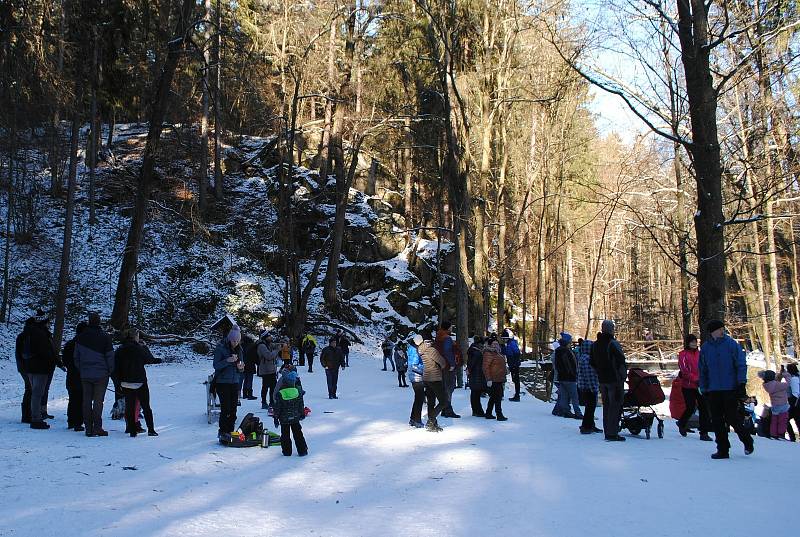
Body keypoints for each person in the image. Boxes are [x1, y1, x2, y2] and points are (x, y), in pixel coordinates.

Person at [698, 319, 754, 459]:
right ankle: (723, 449)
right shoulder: (705, 348)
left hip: (730, 387)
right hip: (713, 389)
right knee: (717, 420)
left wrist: (741, 383)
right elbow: (703, 369)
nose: (722, 331)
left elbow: (741, 364)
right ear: (712, 332)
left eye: (723, 328)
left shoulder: (731, 345)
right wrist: (704, 387)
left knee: (732, 418)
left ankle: (747, 440)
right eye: (719, 329)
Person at [115, 328, 162, 437]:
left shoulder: (120, 350)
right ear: (136, 337)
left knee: (129, 407)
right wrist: (145, 346)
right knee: (146, 406)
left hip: (125, 382)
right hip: (140, 381)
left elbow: (115, 367)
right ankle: (151, 429)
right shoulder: (139, 349)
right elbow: (150, 359)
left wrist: (118, 382)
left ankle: (132, 431)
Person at [75, 312, 115, 437]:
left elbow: (76, 357)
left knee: (86, 401)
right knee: (98, 402)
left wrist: (81, 369)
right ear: (99, 322)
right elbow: (110, 356)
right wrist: (110, 370)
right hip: (101, 374)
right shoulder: (105, 337)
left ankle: (88, 427)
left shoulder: (80, 337)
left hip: (85, 373)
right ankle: (97, 427)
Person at [20, 309, 59, 430]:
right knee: (37, 393)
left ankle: (33, 416)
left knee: (34, 392)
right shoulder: (41, 335)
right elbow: (45, 352)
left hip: (30, 367)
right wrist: (54, 360)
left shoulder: (29, 333)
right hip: (40, 369)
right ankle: (36, 418)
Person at [590, 320, 627, 442]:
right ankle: (612, 433)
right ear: (611, 329)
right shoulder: (613, 343)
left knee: (607, 406)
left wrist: (600, 372)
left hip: (602, 380)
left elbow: (592, 362)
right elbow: (621, 361)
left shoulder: (595, 344)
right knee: (615, 406)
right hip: (614, 380)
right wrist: (622, 377)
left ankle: (608, 431)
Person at [676, 334, 712, 441]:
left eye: (695, 342)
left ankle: (704, 432)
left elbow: (705, 367)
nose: (694, 344)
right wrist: (695, 379)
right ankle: (682, 423)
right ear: (687, 343)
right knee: (690, 407)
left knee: (704, 408)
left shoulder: (700, 354)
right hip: (688, 385)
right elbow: (684, 370)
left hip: (700, 385)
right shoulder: (683, 354)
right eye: (691, 342)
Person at [213, 325, 245, 441]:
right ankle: (222, 431)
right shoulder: (221, 348)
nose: (235, 343)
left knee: (233, 409)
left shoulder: (239, 349)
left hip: (234, 382)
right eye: (233, 340)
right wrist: (227, 360)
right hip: (222, 382)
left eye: (237, 341)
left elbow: (241, 367)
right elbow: (216, 365)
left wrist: (241, 367)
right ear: (229, 339)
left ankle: (230, 431)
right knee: (225, 408)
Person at [272, 370, 308, 456]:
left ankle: (287, 451)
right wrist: (302, 413)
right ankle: (302, 450)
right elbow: (300, 404)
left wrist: (276, 418)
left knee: (285, 435)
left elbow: (277, 408)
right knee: (298, 433)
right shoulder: (297, 392)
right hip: (295, 417)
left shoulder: (280, 394)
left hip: (284, 419)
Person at [419, 335, 448, 432]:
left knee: (431, 402)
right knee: (444, 401)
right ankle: (431, 420)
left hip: (426, 378)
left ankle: (432, 423)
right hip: (435, 377)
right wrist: (443, 365)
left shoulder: (421, 349)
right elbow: (442, 362)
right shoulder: (431, 350)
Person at [62, 322, 87, 431]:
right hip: (81, 375)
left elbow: (65, 360)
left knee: (72, 399)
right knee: (80, 398)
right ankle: (78, 422)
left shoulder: (69, 344)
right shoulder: (84, 345)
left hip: (71, 374)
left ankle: (71, 421)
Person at [434, 321, 460, 418]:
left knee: (445, 387)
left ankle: (445, 409)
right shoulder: (447, 338)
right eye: (451, 327)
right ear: (448, 328)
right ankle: (447, 409)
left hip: (440, 365)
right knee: (449, 387)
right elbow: (447, 351)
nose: (452, 328)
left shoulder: (438, 337)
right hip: (448, 366)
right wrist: (452, 364)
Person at [554, 332, 582, 419]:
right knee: (574, 396)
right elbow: (569, 365)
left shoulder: (558, 351)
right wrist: (573, 373)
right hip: (569, 378)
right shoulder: (566, 352)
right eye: (570, 342)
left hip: (562, 377)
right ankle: (577, 412)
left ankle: (566, 411)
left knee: (564, 395)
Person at [577, 338, 602, 434]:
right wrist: (593, 388)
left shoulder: (582, 357)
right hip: (588, 387)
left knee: (590, 407)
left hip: (583, 386)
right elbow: (589, 375)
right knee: (590, 408)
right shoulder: (587, 359)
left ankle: (591, 425)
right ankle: (586, 426)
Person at [759, 368, 791, 440]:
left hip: (774, 405)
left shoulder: (766, 385)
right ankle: (781, 434)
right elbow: (787, 384)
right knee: (782, 420)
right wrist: (786, 375)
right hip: (782, 404)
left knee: (774, 420)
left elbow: (775, 383)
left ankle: (773, 434)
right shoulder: (777, 385)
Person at [482, 336, 508, 421]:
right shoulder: (488, 353)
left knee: (494, 397)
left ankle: (488, 413)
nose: (496, 345)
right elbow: (485, 367)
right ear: (490, 345)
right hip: (494, 379)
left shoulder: (498, 352)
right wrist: (488, 379)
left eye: (497, 343)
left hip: (499, 378)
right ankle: (499, 414)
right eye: (494, 344)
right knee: (497, 397)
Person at [407, 335, 426, 428]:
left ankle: (412, 418)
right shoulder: (415, 351)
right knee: (420, 399)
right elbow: (414, 365)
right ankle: (417, 420)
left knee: (418, 398)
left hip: (414, 377)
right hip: (416, 377)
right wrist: (424, 368)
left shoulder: (412, 348)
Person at [256, 333, 279, 410]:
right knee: (265, 387)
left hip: (271, 369)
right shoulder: (262, 346)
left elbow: (274, 345)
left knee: (273, 387)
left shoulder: (268, 344)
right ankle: (264, 402)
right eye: (269, 336)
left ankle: (272, 401)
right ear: (265, 338)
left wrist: (281, 344)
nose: (270, 337)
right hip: (265, 370)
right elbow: (269, 356)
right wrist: (277, 350)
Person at [467, 335, 486, 417]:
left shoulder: (474, 350)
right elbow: (472, 364)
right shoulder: (477, 352)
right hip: (476, 374)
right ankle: (477, 411)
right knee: (475, 393)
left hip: (476, 374)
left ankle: (477, 410)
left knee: (475, 393)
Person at [503, 330, 522, 402]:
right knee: (514, 379)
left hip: (514, 364)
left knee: (516, 379)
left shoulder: (511, 343)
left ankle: (517, 395)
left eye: (504, 338)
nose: (504, 340)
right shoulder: (508, 344)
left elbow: (517, 353)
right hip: (512, 363)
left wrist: (515, 363)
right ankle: (516, 395)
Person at [241, 333, 259, 401]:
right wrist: (257, 362)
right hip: (250, 364)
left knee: (245, 380)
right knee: (249, 380)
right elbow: (255, 356)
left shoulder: (242, 345)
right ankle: (250, 394)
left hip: (244, 364)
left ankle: (245, 394)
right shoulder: (252, 346)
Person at [787, 364, 799, 442]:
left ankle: (792, 437)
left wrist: (793, 404)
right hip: (796, 403)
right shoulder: (797, 377)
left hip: (795, 403)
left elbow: (795, 392)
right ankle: (792, 437)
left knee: (785, 419)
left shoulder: (794, 379)